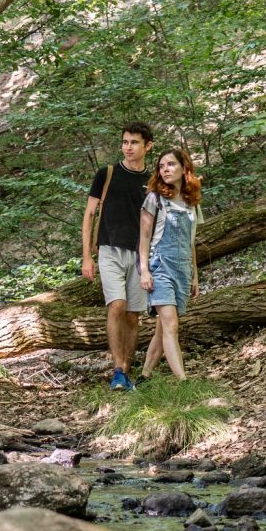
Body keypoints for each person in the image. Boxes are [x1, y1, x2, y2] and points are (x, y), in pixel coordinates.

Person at [82, 121, 153, 391]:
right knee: (117, 305)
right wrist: (86, 256)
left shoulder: (152, 181)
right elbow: (89, 214)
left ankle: (127, 371)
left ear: (148, 146)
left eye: (134, 142)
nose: (128, 147)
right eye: (125, 142)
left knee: (133, 315)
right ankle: (117, 371)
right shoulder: (107, 173)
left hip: (139, 254)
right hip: (109, 249)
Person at [137, 146, 201, 381]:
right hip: (159, 267)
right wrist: (144, 270)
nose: (165, 169)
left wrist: (195, 275)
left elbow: (191, 242)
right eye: (161, 166)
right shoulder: (154, 199)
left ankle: (144, 376)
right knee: (171, 326)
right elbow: (144, 238)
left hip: (182, 270)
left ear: (184, 169)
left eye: (171, 164)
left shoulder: (191, 202)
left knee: (163, 329)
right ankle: (184, 381)